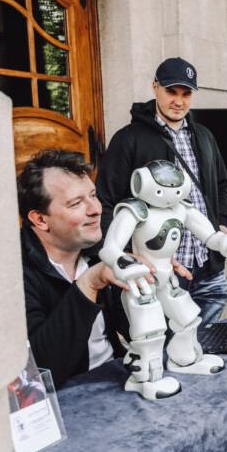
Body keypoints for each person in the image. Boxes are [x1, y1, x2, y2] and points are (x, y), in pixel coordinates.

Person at [96, 57, 227, 326]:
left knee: (199, 346)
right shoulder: (128, 138)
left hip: (208, 266)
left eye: (186, 93)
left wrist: (222, 224)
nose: (179, 101)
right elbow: (107, 201)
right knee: (166, 350)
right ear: (155, 87)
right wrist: (122, 257)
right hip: (161, 270)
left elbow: (221, 186)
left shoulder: (204, 136)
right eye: (171, 91)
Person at [18, 150, 147, 388]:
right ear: (40, 220)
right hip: (64, 403)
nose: (96, 209)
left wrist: (155, 277)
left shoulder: (99, 251)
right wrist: (89, 283)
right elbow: (42, 373)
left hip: (114, 381)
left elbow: (138, 333)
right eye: (76, 203)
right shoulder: (15, 272)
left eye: (93, 195)